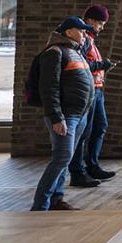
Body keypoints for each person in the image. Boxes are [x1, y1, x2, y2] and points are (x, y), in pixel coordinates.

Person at [30, 16, 97, 211]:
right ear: (68, 32)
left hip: (79, 114)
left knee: (64, 159)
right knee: (61, 157)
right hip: (66, 116)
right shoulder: (54, 52)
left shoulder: (75, 52)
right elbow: (48, 88)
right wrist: (56, 117)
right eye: (81, 31)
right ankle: (40, 205)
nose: (85, 35)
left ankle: (56, 200)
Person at [68, 4, 117, 187]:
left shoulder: (89, 39)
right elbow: (83, 63)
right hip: (89, 91)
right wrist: (102, 65)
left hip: (96, 89)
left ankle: (92, 166)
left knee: (99, 127)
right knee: (84, 133)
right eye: (100, 23)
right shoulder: (84, 39)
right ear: (90, 21)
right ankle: (78, 172)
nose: (102, 27)